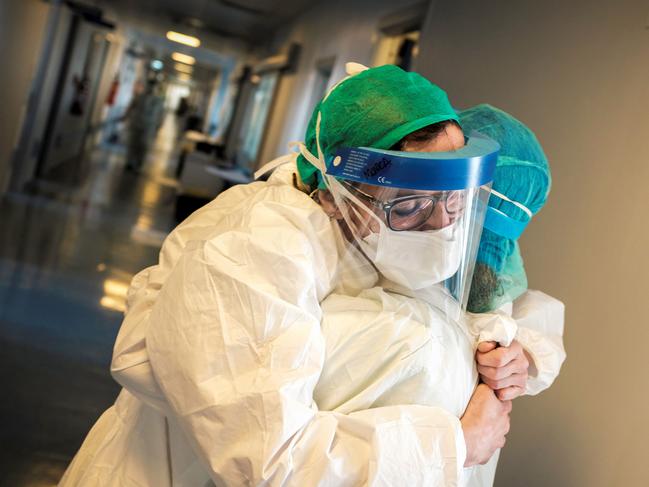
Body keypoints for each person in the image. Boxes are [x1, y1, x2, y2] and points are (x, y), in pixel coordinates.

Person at [59, 64, 556, 486]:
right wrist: (456, 445)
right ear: (339, 191)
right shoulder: (254, 256)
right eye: (411, 205)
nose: (441, 227)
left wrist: (514, 352)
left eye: (454, 202)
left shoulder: (371, 236)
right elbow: (269, 456)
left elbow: (474, 301)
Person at [313, 103, 566, 486]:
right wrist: (459, 442)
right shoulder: (367, 276)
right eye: (420, 206)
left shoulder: (471, 283)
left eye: (456, 210)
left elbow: (508, 304)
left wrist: (523, 357)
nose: (445, 229)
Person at [124, 78, 165, 173]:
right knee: (132, 144)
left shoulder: (158, 101)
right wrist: (125, 117)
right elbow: (130, 107)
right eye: (150, 86)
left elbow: (161, 116)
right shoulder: (139, 97)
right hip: (136, 124)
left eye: (153, 86)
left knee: (143, 146)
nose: (151, 88)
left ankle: (139, 164)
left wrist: (158, 128)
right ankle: (129, 162)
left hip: (148, 127)